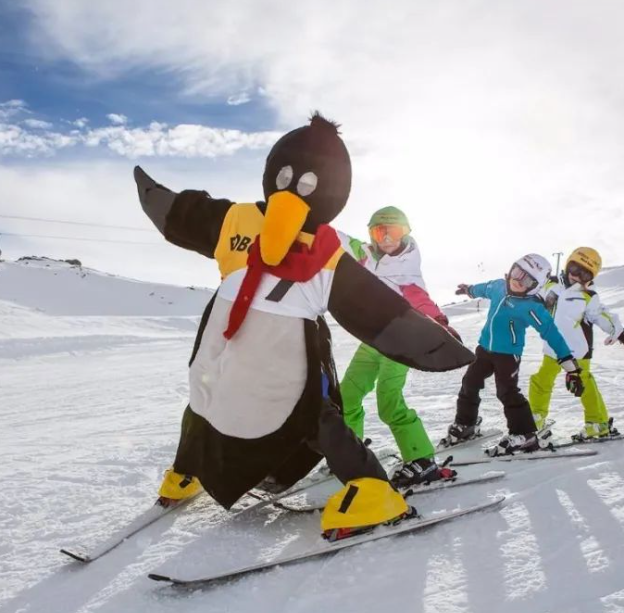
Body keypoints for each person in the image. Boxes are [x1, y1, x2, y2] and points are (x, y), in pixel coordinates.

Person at [133, 114, 473, 540]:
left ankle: (372, 489)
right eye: (286, 178)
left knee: (314, 417)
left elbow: (377, 309)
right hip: (226, 348)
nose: (293, 191)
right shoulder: (236, 219)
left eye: (309, 184)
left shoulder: (326, 250)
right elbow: (185, 215)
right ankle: (189, 470)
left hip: (288, 356)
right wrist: (161, 201)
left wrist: (433, 340)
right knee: (203, 401)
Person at [339, 206, 461, 489]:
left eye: (392, 231)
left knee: (389, 402)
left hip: (399, 344)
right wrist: (308, 220)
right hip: (371, 340)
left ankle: (422, 459)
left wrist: (441, 323)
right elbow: (339, 239)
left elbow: (422, 302)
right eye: (378, 231)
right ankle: (349, 452)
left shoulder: (407, 271)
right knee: (346, 397)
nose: (385, 238)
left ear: (404, 233)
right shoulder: (365, 255)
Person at [448, 254, 585, 455]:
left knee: (507, 392)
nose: (518, 280)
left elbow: (552, 334)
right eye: (517, 272)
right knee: (470, 382)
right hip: (484, 349)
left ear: (536, 286)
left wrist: (570, 366)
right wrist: (469, 289)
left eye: (527, 280)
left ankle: (525, 434)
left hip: (508, 355)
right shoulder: (498, 287)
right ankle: (466, 424)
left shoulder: (531, 307)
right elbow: (484, 288)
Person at [528, 247, 624, 439]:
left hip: (578, 350)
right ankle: (536, 417)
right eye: (574, 269)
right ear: (567, 265)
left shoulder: (588, 296)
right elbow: (531, 297)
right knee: (541, 381)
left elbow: (602, 315)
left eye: (585, 274)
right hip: (553, 348)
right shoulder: (550, 285)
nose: (577, 277)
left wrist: (621, 334)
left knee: (584, 385)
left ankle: (597, 423)